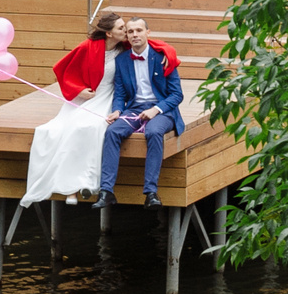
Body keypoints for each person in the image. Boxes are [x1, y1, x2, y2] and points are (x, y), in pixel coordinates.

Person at [20, 13, 125, 206]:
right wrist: (78, 90)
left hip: (107, 97)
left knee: (90, 127)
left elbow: (155, 45)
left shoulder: (125, 47)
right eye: (121, 28)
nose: (125, 31)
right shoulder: (88, 47)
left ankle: (85, 183)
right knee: (53, 131)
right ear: (109, 33)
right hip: (87, 96)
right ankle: (69, 188)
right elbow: (61, 68)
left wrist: (167, 55)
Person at [98, 17, 186, 214]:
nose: (135, 34)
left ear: (148, 32)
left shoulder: (163, 57)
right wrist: (117, 110)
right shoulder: (121, 60)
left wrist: (156, 109)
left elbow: (177, 94)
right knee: (112, 132)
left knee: (153, 132)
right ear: (127, 36)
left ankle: (151, 193)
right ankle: (106, 190)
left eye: (139, 30)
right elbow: (120, 93)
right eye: (130, 31)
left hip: (162, 110)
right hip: (134, 109)